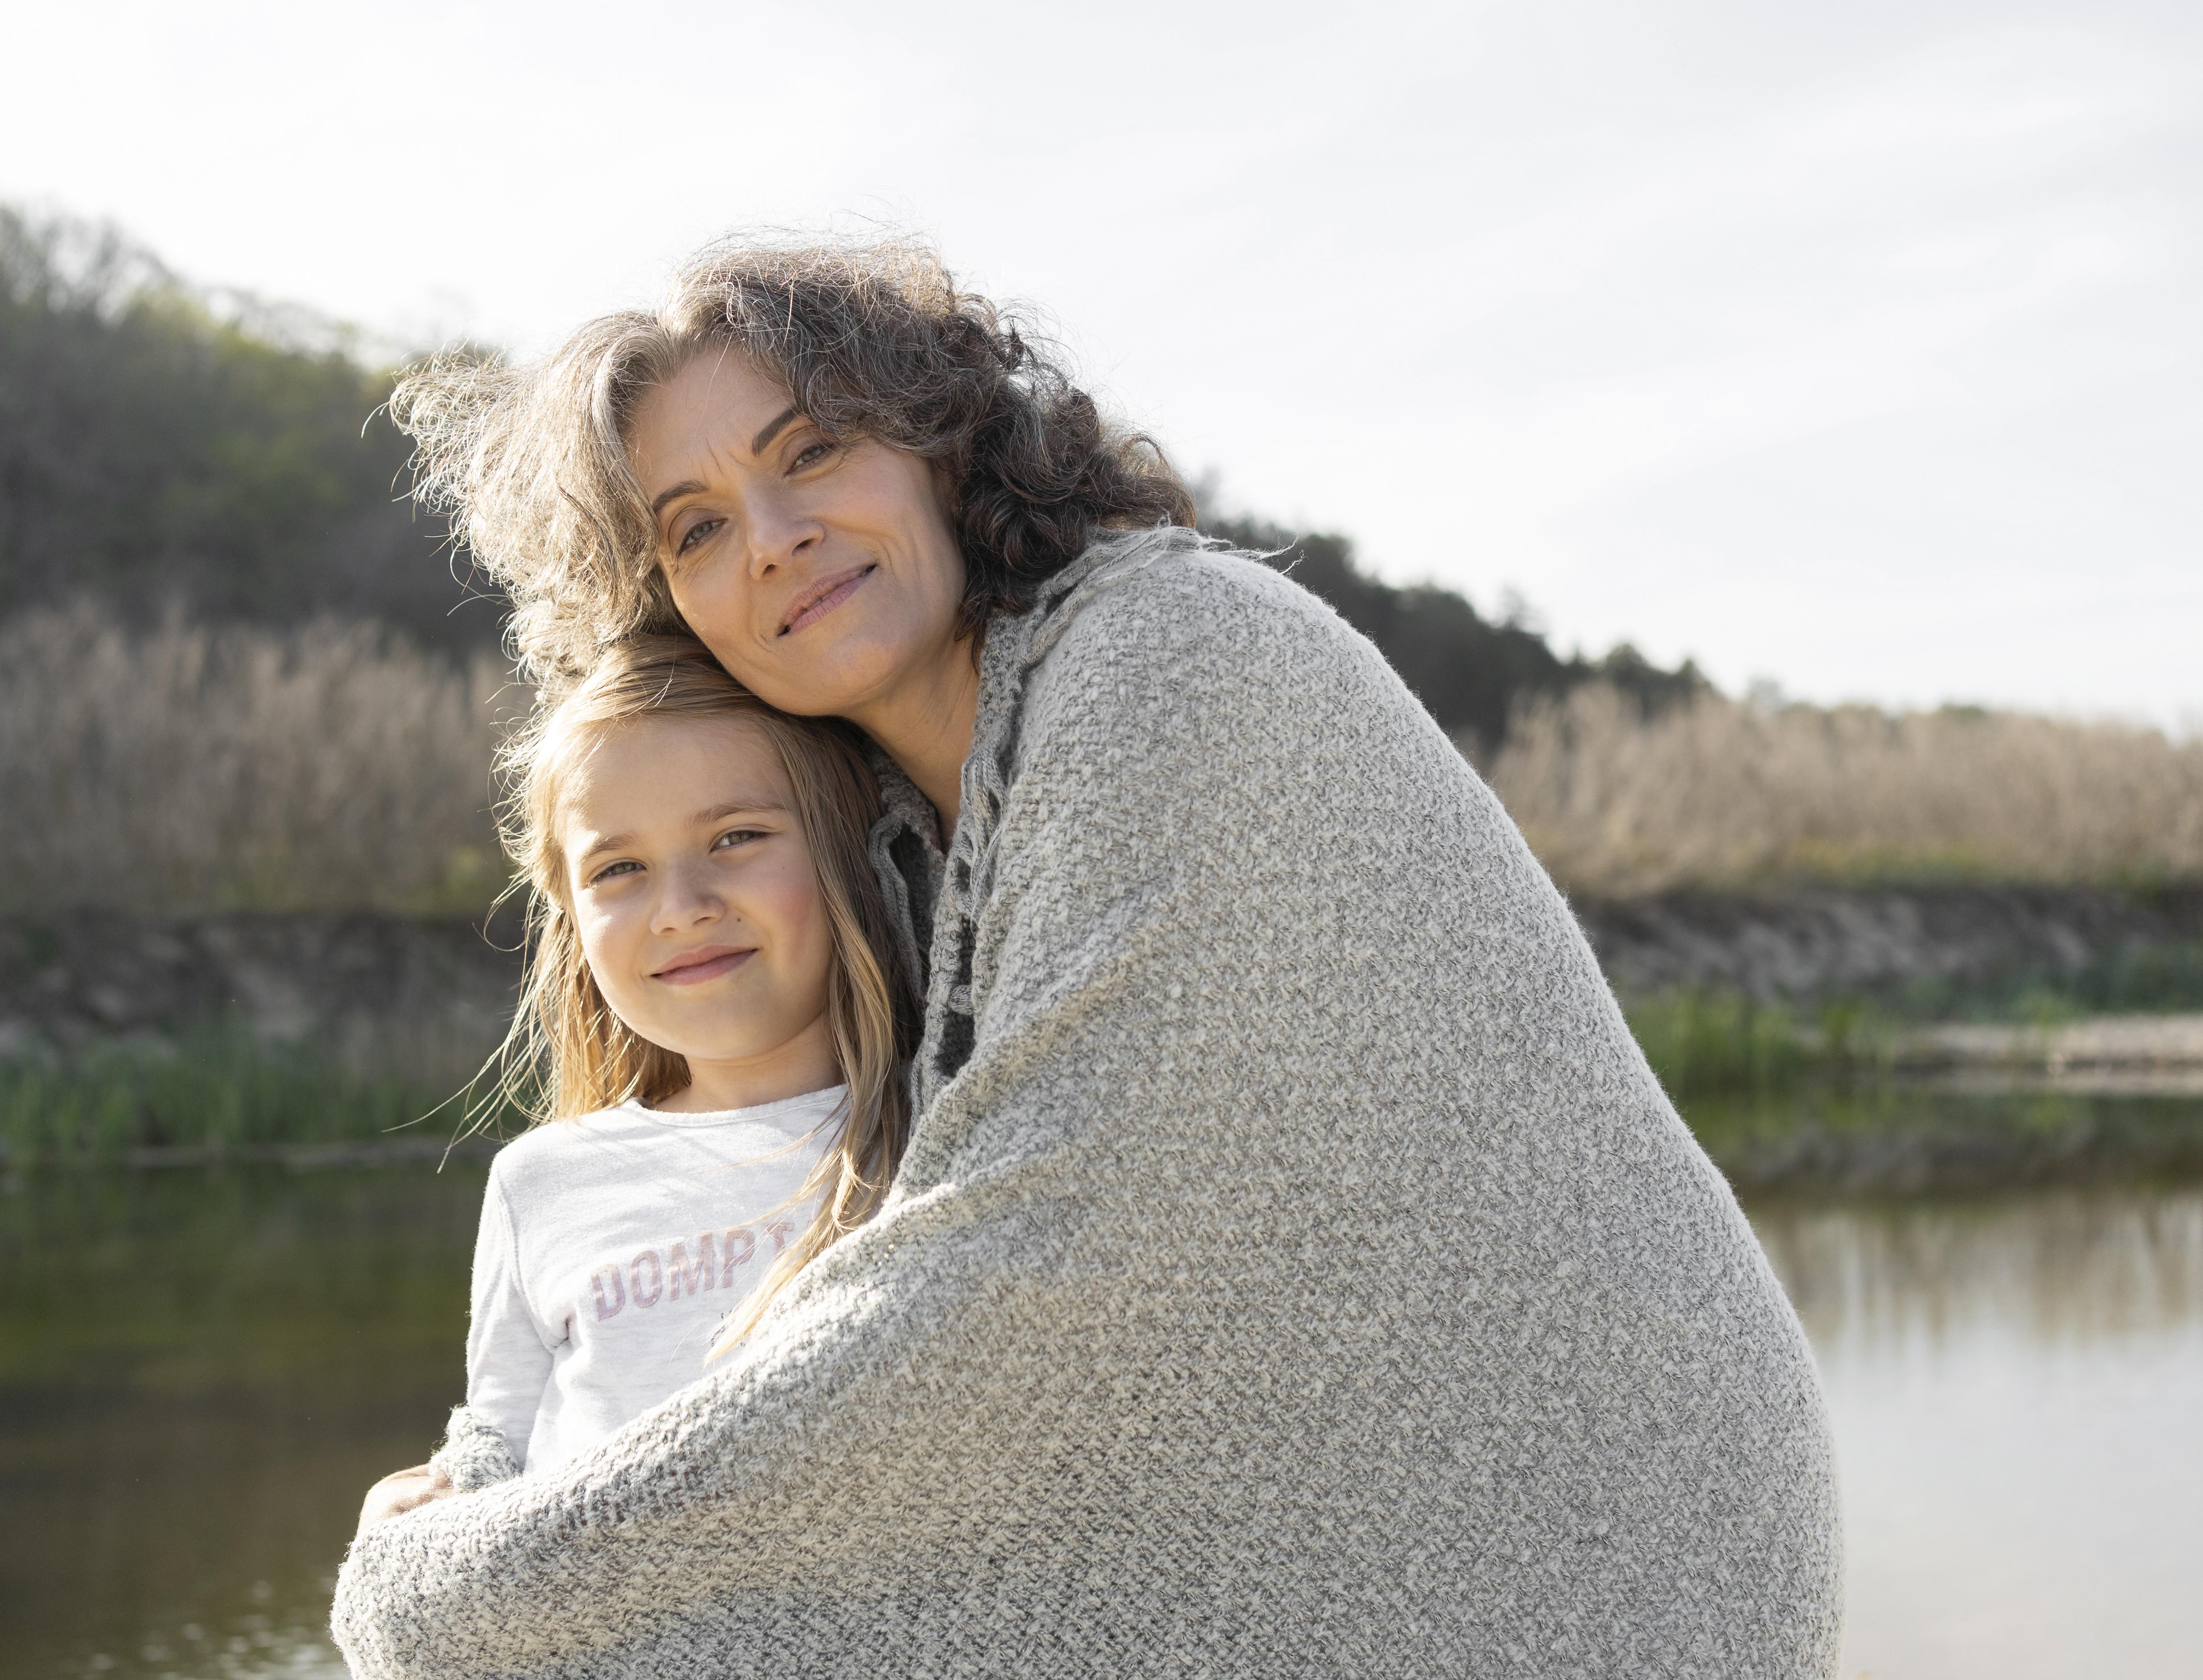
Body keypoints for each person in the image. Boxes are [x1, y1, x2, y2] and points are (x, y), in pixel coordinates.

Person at [335, 239, 1841, 1677]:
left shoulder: (1169, 658)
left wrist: (467, 1592)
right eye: (698, 526)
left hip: (1596, 1518)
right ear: (676, 612)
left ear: (939, 442)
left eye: (809, 454)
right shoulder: (905, 847)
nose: (774, 538)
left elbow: (1027, 1285)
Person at [355, 636, 913, 1535]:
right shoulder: (541, 1182)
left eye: (737, 838)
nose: (682, 906)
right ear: (572, 918)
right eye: (620, 869)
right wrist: (438, 1491)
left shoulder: (939, 1131)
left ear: (849, 853)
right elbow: (495, 1440)